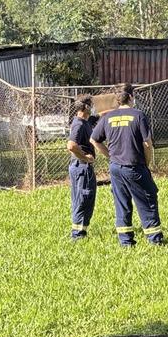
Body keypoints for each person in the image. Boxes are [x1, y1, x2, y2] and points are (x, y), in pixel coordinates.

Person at [90, 83, 163, 247]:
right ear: (131, 97)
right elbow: (147, 143)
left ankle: (126, 241)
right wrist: (147, 162)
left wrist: (110, 155)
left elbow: (94, 139)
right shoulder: (138, 115)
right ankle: (154, 240)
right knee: (147, 199)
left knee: (122, 202)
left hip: (116, 168)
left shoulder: (108, 117)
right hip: (135, 166)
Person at [65, 94, 98, 240]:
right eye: (91, 104)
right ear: (85, 107)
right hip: (81, 166)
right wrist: (85, 158)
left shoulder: (85, 122)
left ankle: (81, 232)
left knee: (86, 197)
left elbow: (97, 120)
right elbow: (71, 146)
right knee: (82, 198)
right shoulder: (78, 124)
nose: (93, 107)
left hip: (83, 167)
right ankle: (77, 235)